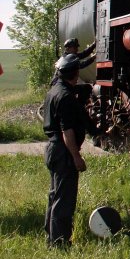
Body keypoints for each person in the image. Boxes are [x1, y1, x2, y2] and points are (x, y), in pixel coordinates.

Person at [42, 54, 95, 247]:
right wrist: (76, 156)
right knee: (64, 200)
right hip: (63, 151)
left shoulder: (54, 91)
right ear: (75, 72)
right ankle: (60, 242)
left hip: (53, 149)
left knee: (55, 195)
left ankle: (51, 235)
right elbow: (67, 131)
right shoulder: (65, 96)